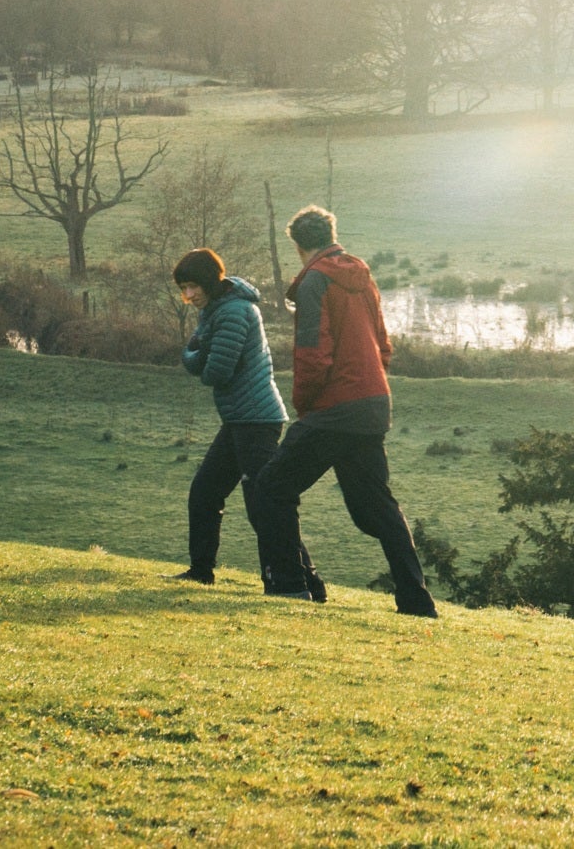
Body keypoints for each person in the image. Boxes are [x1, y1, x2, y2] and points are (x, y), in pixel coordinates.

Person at [243, 204, 436, 615]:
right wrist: (369, 383)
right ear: (332, 233)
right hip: (373, 403)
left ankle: (292, 585)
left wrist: (305, 405)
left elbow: (313, 353)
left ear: (297, 245)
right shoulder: (363, 277)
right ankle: (416, 599)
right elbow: (384, 343)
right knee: (376, 509)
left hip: (335, 406)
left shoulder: (315, 282)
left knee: (271, 486)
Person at [168, 248, 304, 588]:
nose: (188, 295)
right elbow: (199, 356)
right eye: (184, 287)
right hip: (240, 419)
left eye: (193, 286)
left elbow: (215, 371)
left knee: (263, 505)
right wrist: (197, 354)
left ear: (211, 281)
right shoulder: (216, 310)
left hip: (256, 420)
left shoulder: (231, 313)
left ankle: (297, 583)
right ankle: (201, 572)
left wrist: (195, 354)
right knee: (205, 492)